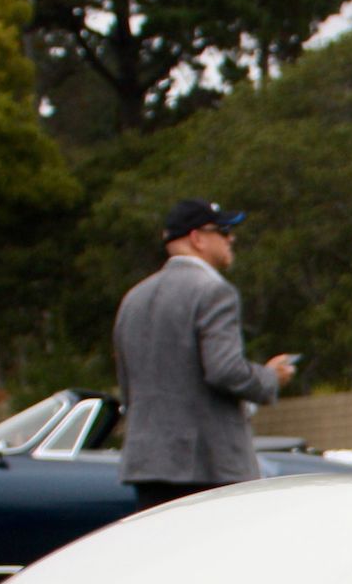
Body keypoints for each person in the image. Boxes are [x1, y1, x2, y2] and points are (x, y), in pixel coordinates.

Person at [114, 198, 295, 507]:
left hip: (147, 465)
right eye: (223, 231)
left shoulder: (133, 298)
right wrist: (270, 377)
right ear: (197, 238)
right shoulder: (213, 291)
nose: (231, 238)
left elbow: (128, 385)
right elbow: (224, 369)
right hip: (207, 465)